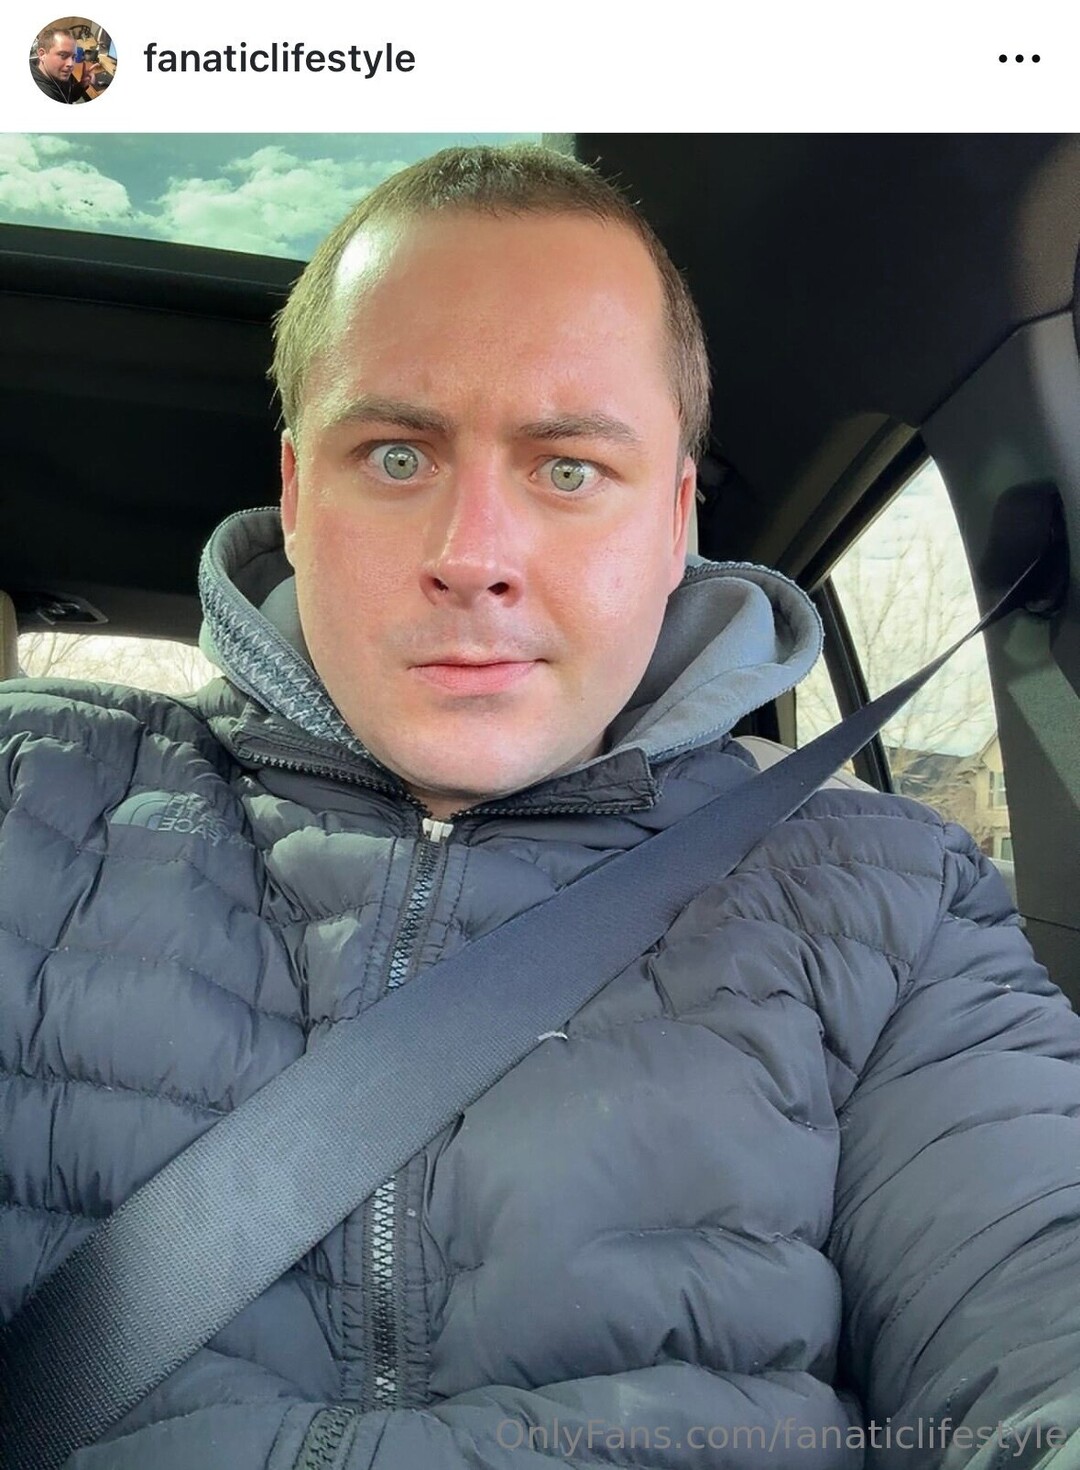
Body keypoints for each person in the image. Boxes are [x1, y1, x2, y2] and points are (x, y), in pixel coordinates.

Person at [2, 144, 1079, 1469]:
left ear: (675, 519)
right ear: (296, 493)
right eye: (396, 453)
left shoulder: (894, 904)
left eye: (567, 468)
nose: (474, 557)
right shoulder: (25, 794)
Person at [29, 25, 99, 104]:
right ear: (42, 55)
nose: (71, 64)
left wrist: (81, 85)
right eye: (63, 55)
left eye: (73, 57)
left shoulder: (56, 73)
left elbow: (67, 97)